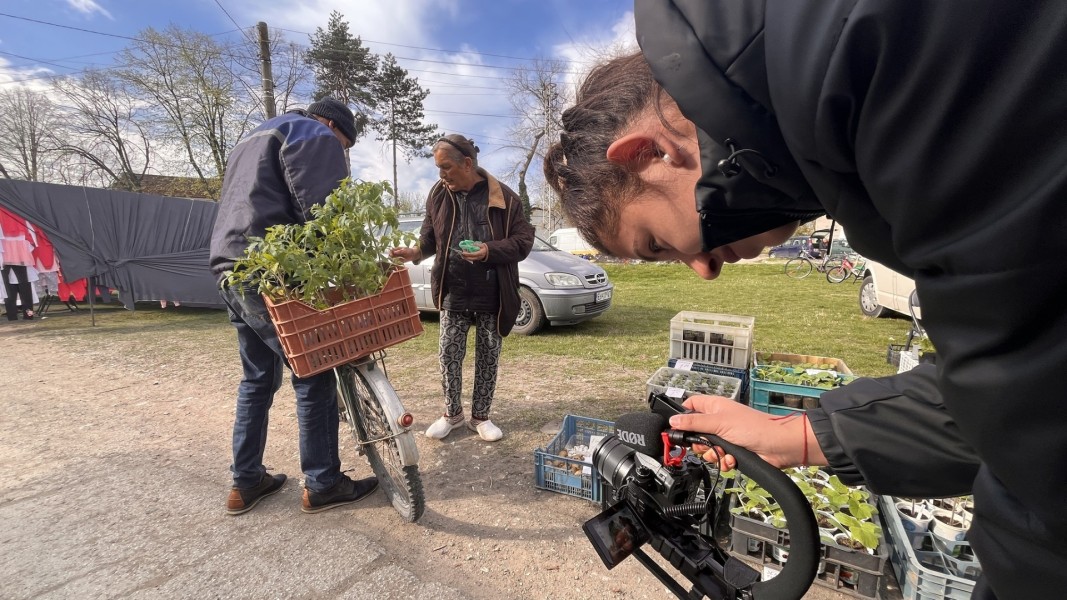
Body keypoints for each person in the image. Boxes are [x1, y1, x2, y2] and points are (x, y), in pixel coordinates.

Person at [543, 1, 1067, 597]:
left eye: (658, 244)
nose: (702, 270)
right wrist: (790, 436)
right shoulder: (822, 85)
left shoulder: (858, 63)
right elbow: (1007, 384)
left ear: (649, 154)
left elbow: (1036, 419)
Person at [210, 97, 378, 515]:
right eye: (345, 146)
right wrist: (347, 268)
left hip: (230, 266)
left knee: (256, 379)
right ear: (332, 126)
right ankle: (322, 483)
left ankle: (246, 482)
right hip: (274, 270)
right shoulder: (313, 134)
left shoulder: (252, 137)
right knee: (313, 368)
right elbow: (321, 213)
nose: (341, 154)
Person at [390, 134, 534, 442]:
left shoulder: (505, 198)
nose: (441, 174)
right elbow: (430, 240)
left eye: (446, 167)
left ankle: (480, 417)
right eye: (438, 168)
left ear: (467, 164)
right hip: (452, 288)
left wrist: (487, 251)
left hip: (491, 291)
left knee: (488, 355)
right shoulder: (438, 194)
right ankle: (452, 415)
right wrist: (415, 253)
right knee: (448, 354)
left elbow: (523, 243)